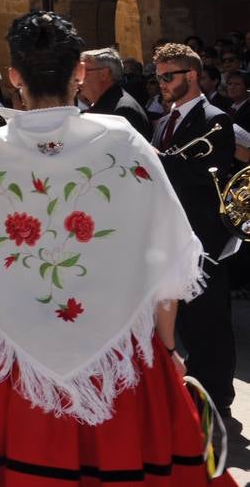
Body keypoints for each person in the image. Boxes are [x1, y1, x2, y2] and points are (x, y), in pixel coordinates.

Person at [0, 12, 233, 486]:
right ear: (77, 73)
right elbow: (168, 260)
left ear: (14, 77)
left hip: (11, 374)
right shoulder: (126, 144)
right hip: (122, 365)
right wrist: (169, 348)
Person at [152, 42, 238, 421]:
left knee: (209, 320)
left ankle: (217, 395)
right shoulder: (163, 122)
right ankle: (191, 387)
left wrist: (153, 162)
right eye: (158, 78)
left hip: (204, 236)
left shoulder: (215, 119)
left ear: (191, 76)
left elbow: (199, 175)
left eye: (168, 77)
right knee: (182, 319)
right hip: (173, 235)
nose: (162, 84)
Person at [79, 46, 153, 140]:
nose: (79, 79)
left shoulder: (122, 111)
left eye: (84, 71)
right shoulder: (108, 104)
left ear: (104, 74)